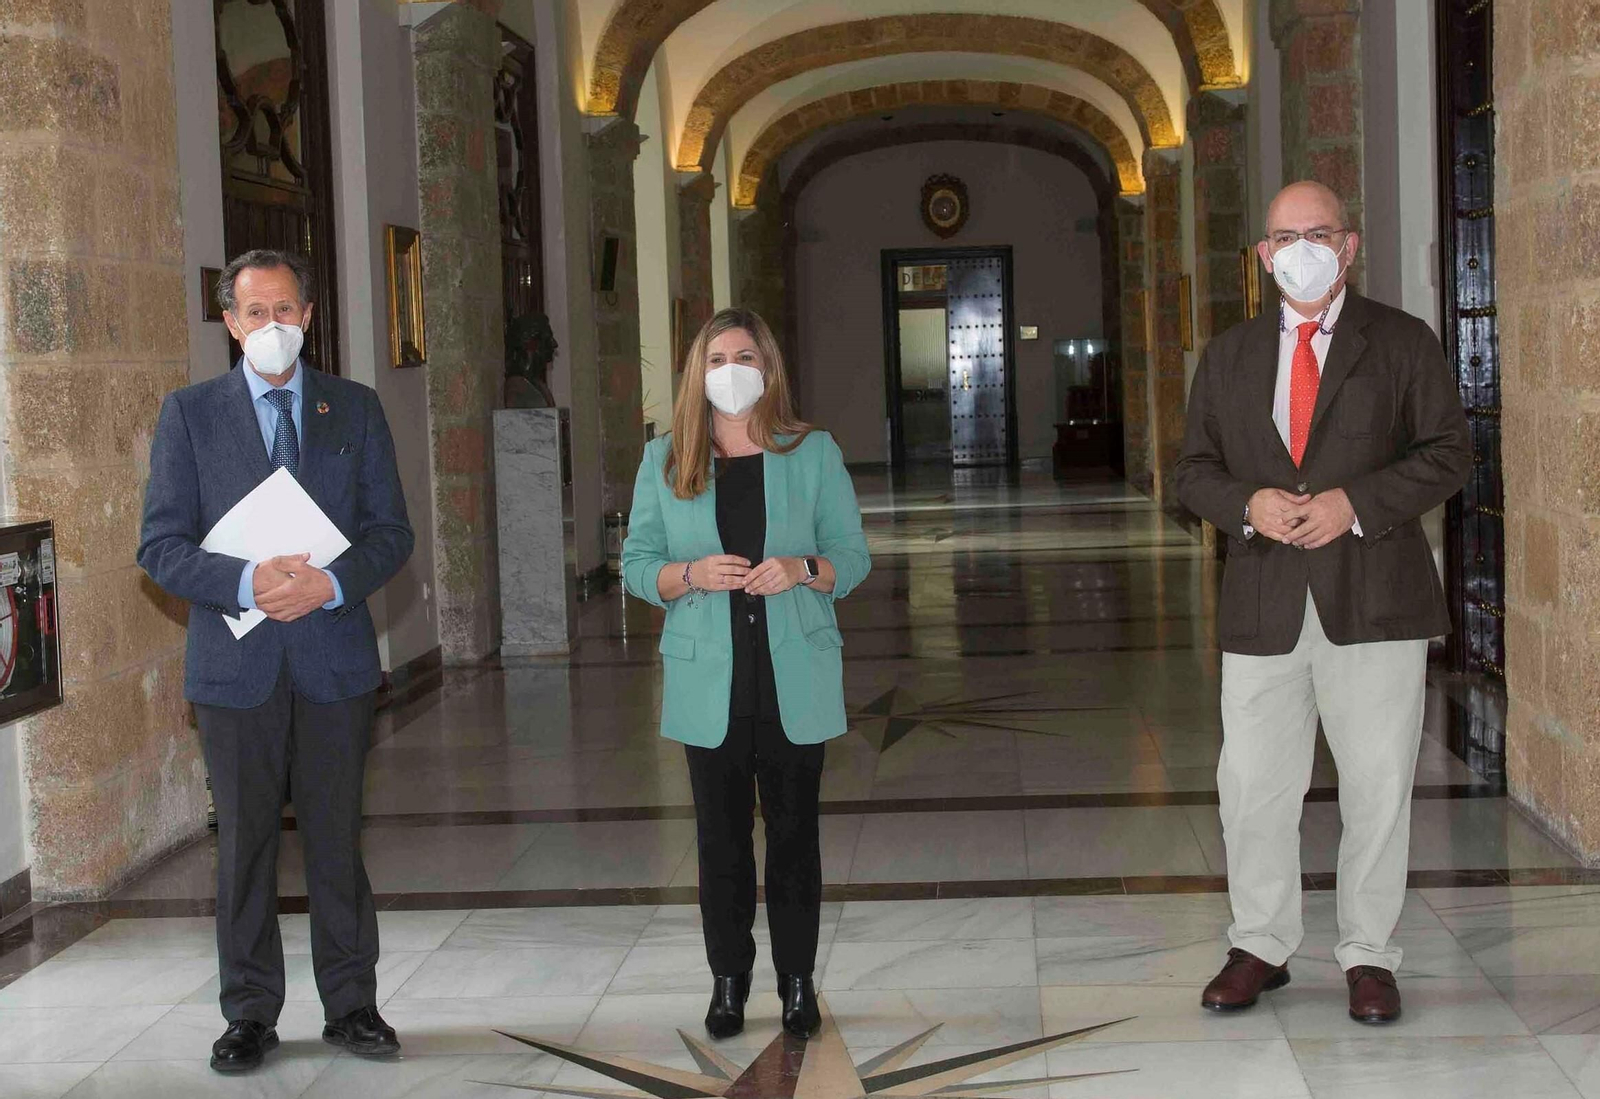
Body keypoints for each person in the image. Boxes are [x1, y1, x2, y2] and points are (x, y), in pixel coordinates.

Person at [1173, 182, 1470, 1025]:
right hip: (1264, 600)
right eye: (1283, 236)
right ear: (1263, 255)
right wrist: (1247, 504)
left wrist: (1356, 502)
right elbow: (1194, 467)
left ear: (1348, 244)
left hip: (1376, 596)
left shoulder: (1403, 342)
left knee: (1377, 784)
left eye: (1318, 232)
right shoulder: (1228, 355)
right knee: (1253, 785)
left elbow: (1451, 452)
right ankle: (1260, 944)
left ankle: (1369, 953)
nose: (1300, 247)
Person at [138, 249, 414, 1072]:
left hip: (333, 661)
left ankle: (352, 1003)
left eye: (285, 310)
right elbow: (160, 545)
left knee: (336, 839)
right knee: (245, 846)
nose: (272, 327)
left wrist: (329, 584)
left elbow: (390, 533)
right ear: (229, 322)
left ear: (309, 316)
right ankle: (250, 1012)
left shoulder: (354, 409)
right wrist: (247, 582)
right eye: (255, 313)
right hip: (234, 671)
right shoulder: (189, 415)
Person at [621, 308, 870, 1041]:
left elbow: (853, 556)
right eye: (718, 357)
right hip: (710, 680)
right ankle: (728, 981)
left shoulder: (812, 452)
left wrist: (805, 568)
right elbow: (636, 564)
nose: (732, 370)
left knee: (795, 836)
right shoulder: (667, 459)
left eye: (746, 356)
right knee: (720, 840)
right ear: (698, 371)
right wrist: (687, 573)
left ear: (769, 368)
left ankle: (797, 983)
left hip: (793, 673)